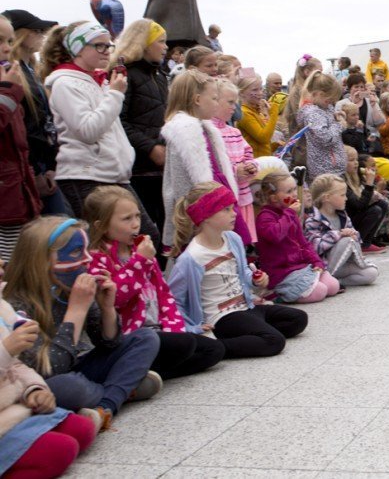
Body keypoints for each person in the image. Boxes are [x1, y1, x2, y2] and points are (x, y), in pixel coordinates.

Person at [5, 217, 162, 432]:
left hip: (80, 366)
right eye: (76, 252)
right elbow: (49, 370)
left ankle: (105, 406)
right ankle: (120, 390)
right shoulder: (15, 304)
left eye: (86, 250)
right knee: (70, 386)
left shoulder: (72, 286)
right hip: (43, 382)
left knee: (145, 337)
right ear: (41, 261)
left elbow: (110, 344)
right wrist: (76, 311)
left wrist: (107, 308)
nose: (88, 259)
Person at [83, 187, 225, 380]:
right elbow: (116, 299)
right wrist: (140, 262)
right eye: (126, 219)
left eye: (137, 216)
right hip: (132, 338)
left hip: (158, 330)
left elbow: (164, 294)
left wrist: (174, 328)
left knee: (214, 350)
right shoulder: (97, 259)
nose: (136, 224)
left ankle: (145, 375)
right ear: (102, 226)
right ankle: (132, 373)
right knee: (184, 345)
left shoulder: (140, 252)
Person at [40, 21, 160, 240]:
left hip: (112, 174)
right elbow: (88, 131)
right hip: (86, 175)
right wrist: (115, 94)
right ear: (78, 49)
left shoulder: (98, 81)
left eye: (109, 45)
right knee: (106, 242)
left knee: (143, 238)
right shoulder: (65, 83)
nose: (107, 51)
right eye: (99, 45)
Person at [167, 183, 309, 357]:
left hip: (247, 307)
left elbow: (242, 271)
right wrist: (191, 328)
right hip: (222, 317)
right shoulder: (191, 258)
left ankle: (248, 335)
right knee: (274, 341)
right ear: (206, 216)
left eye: (232, 207)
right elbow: (173, 300)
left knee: (298, 319)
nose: (234, 213)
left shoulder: (232, 238)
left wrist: (254, 279)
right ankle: (214, 345)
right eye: (226, 209)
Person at [0, 254, 97, 477]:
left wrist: (34, 390)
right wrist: (6, 351)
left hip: (13, 408)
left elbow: (16, 366)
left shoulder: (3, 308)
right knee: (61, 450)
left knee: (81, 429)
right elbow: (50, 364)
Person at [161, 70, 249, 250]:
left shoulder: (204, 129)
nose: (217, 103)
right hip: (202, 210)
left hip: (216, 199)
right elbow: (181, 184)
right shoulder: (184, 132)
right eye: (214, 98)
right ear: (197, 99)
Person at [3, 9, 68, 216]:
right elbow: (22, 128)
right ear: (22, 34)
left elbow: (43, 121)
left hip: (41, 164)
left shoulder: (29, 69)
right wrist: (36, 170)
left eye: (9, 41)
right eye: (37, 31)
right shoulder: (12, 75)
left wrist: (50, 165)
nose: (42, 36)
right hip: (29, 167)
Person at [112, 19, 170, 247]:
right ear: (144, 43)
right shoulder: (125, 74)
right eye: (161, 41)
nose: (165, 47)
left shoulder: (160, 76)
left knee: (165, 232)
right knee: (143, 235)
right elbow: (118, 120)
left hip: (160, 169)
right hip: (136, 169)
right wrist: (150, 147)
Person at [253, 172, 341, 304]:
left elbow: (303, 243)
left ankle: (302, 287)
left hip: (298, 266)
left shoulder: (289, 213)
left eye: (294, 189)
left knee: (333, 286)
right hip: (280, 272)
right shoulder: (265, 217)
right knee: (320, 291)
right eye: (289, 191)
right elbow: (276, 235)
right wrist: (289, 213)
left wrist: (317, 262)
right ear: (274, 198)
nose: (294, 194)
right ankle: (278, 294)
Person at [0, 15, 42, 261]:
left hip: (17, 194)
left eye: (9, 41)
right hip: (5, 200)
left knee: (21, 264)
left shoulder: (8, 82)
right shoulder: (8, 88)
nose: (7, 48)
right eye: (0, 41)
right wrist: (7, 93)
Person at [303, 175, 379, 285]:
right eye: (342, 195)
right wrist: (338, 235)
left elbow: (357, 240)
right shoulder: (313, 220)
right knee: (347, 241)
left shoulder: (343, 216)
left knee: (371, 273)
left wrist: (354, 235)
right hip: (325, 266)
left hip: (344, 264)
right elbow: (315, 247)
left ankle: (337, 282)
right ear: (327, 198)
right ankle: (327, 277)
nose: (346, 198)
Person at [212, 79, 260, 243]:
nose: (234, 107)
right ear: (214, 101)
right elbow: (214, 166)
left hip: (243, 195)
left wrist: (250, 166)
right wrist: (234, 171)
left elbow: (248, 153)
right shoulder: (208, 132)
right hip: (224, 201)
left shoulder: (234, 132)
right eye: (230, 102)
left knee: (242, 242)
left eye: (235, 102)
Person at [296, 71, 346, 180]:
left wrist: (336, 117)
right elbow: (325, 138)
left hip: (332, 168)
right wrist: (339, 125)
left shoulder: (324, 107)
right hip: (325, 170)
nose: (331, 103)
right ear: (319, 94)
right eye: (329, 100)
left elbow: (328, 123)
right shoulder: (313, 113)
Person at [344, 150, 387, 253]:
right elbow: (359, 205)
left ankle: (366, 242)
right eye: (351, 160)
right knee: (375, 210)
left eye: (356, 160)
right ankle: (359, 243)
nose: (356, 163)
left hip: (355, 217)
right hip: (347, 223)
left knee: (382, 204)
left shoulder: (356, 176)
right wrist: (369, 184)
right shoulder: (342, 180)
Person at [237, 75, 287, 158]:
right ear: (241, 93)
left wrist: (274, 146)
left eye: (261, 89)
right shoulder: (245, 113)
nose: (260, 93)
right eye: (255, 90)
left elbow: (259, 144)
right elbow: (263, 138)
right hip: (255, 162)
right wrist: (274, 113)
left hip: (261, 159)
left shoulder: (255, 112)